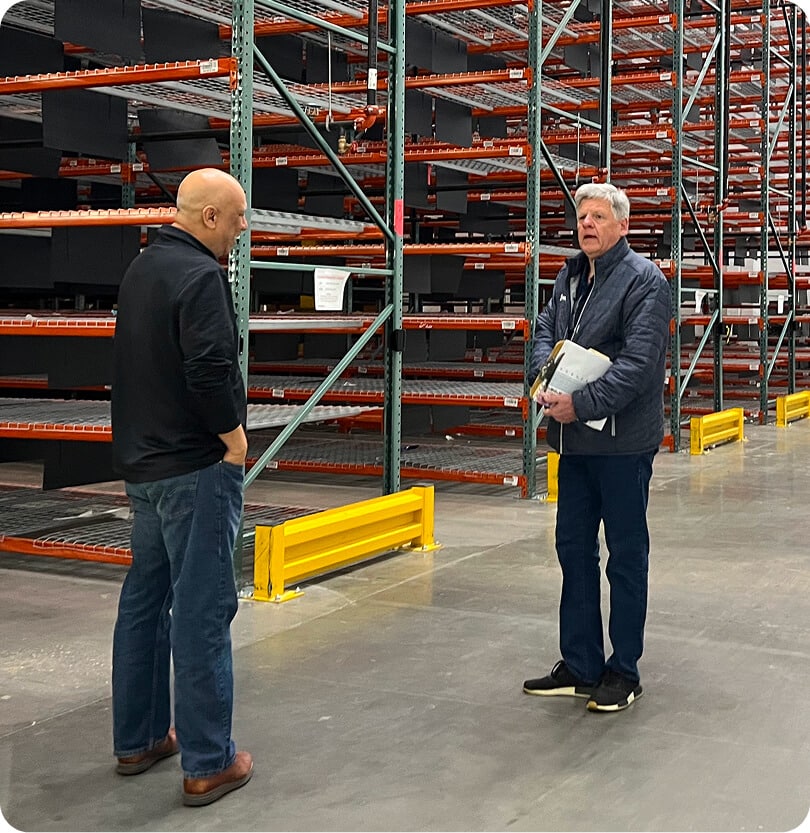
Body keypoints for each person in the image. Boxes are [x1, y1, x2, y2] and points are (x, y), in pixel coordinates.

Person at [110, 168, 254, 804]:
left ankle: (138, 739)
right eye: (239, 217)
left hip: (143, 466)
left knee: (145, 598)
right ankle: (207, 761)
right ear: (210, 218)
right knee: (201, 609)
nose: (245, 229)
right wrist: (232, 438)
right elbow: (208, 370)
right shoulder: (201, 276)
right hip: (194, 468)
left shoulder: (143, 268)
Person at [523, 182, 671, 713]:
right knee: (574, 552)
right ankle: (581, 663)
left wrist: (579, 404)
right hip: (574, 442)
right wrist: (545, 378)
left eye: (599, 217)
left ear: (622, 225)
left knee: (625, 557)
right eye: (582, 216)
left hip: (623, 445)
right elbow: (545, 332)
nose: (587, 224)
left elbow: (637, 367)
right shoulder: (568, 276)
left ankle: (623, 670)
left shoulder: (645, 283)